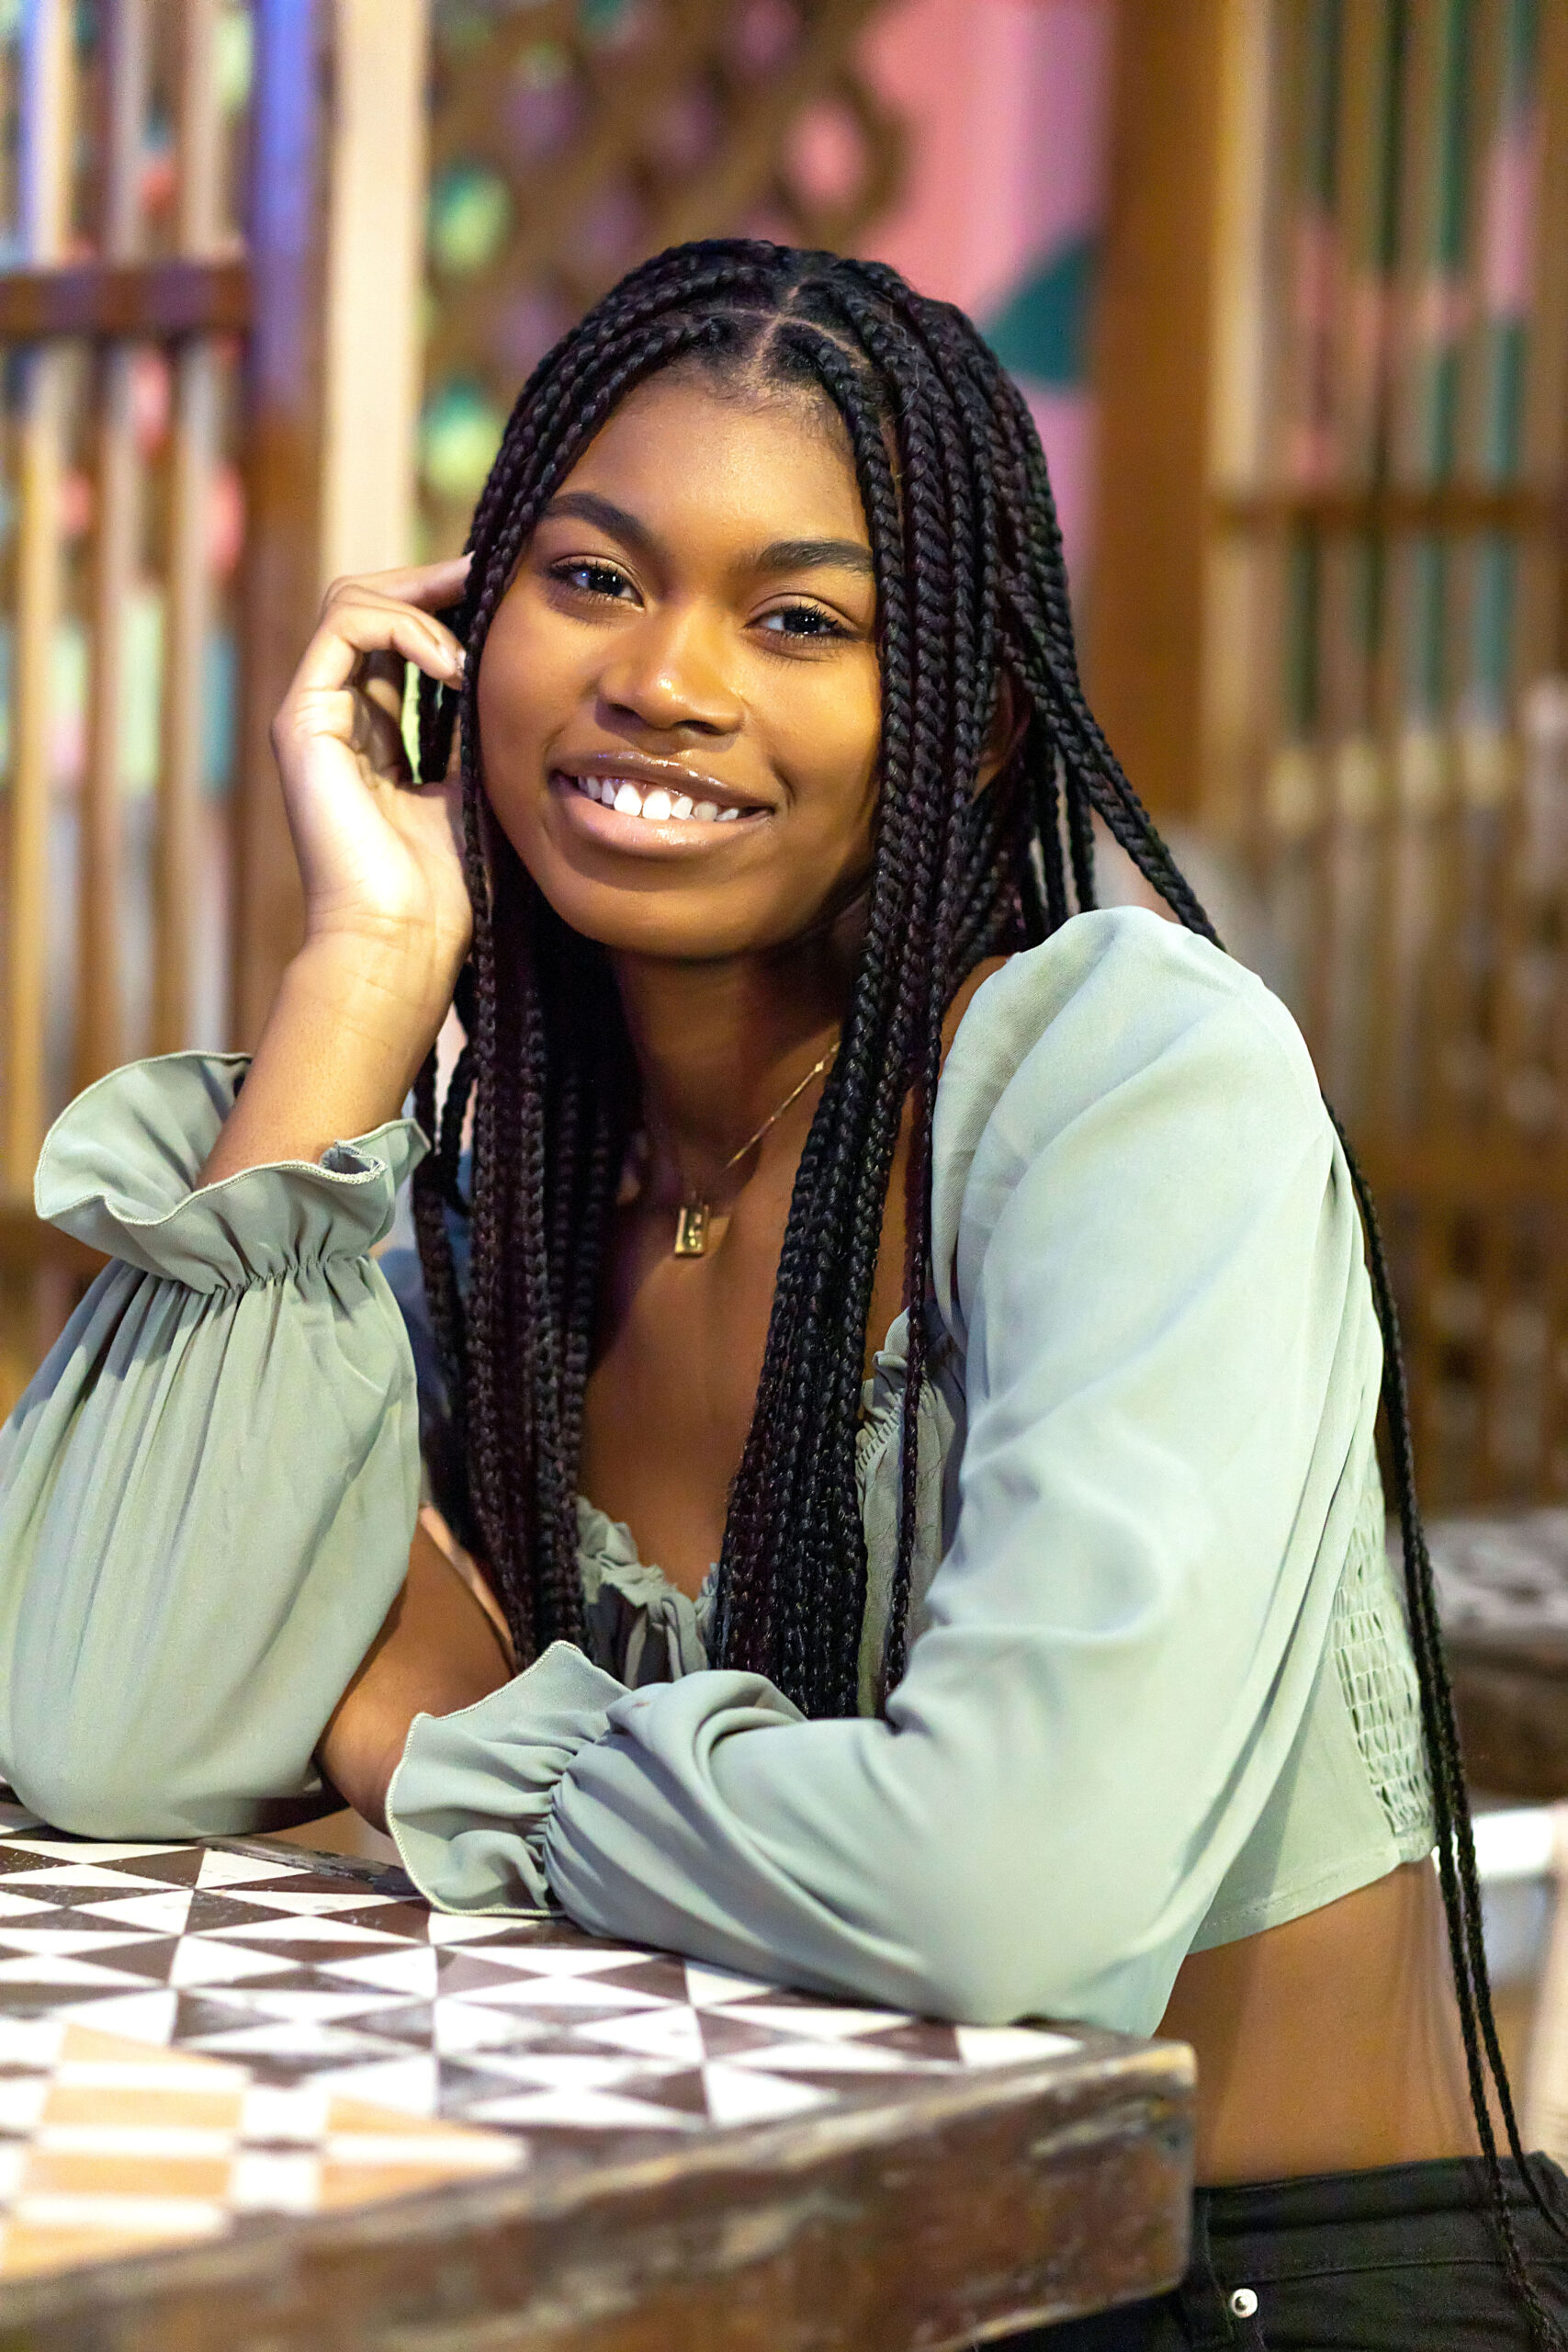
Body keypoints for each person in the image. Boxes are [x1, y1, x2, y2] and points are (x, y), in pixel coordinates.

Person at [0, 240, 1562, 2346]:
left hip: (1238, 2290)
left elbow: (1000, 1896)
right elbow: (96, 1724)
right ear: (459, 651)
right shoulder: (499, 1177)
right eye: (592, 580)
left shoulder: (1124, 1074)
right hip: (759, 2264)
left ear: (974, 716)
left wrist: (465, 1748)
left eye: (800, 618)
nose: (666, 676)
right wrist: (360, 972)